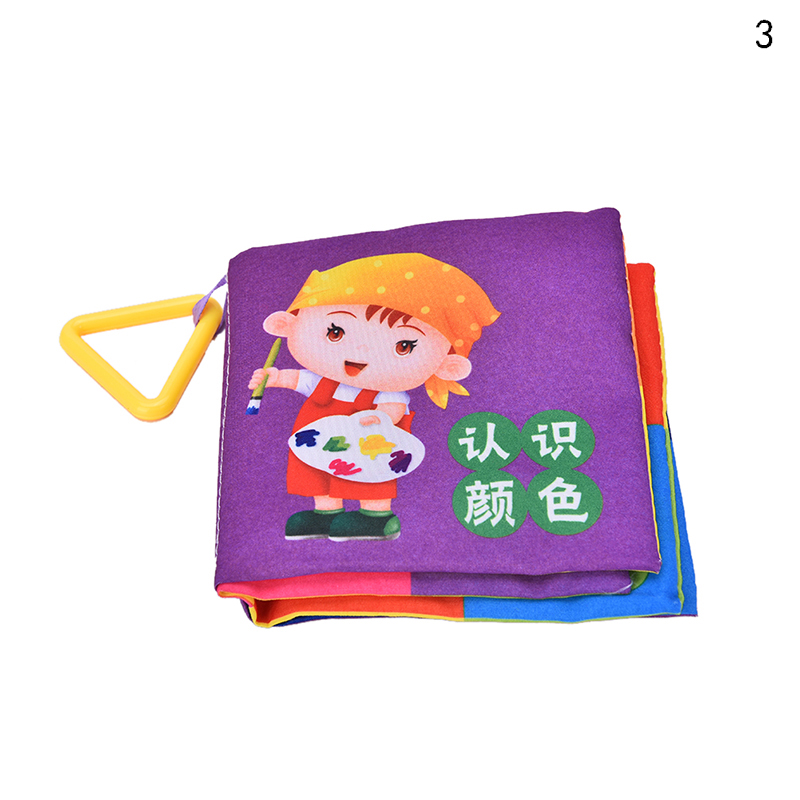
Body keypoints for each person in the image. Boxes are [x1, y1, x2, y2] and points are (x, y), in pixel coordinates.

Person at [249, 253, 499, 540]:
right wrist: (274, 378)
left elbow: (394, 407)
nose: (362, 352)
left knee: (371, 473)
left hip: (370, 438)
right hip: (317, 437)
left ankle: (375, 515)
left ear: (446, 364)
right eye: (335, 332)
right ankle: (325, 512)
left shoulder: (388, 389)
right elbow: (298, 380)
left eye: (404, 346)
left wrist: (380, 417)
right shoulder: (323, 379)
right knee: (317, 471)